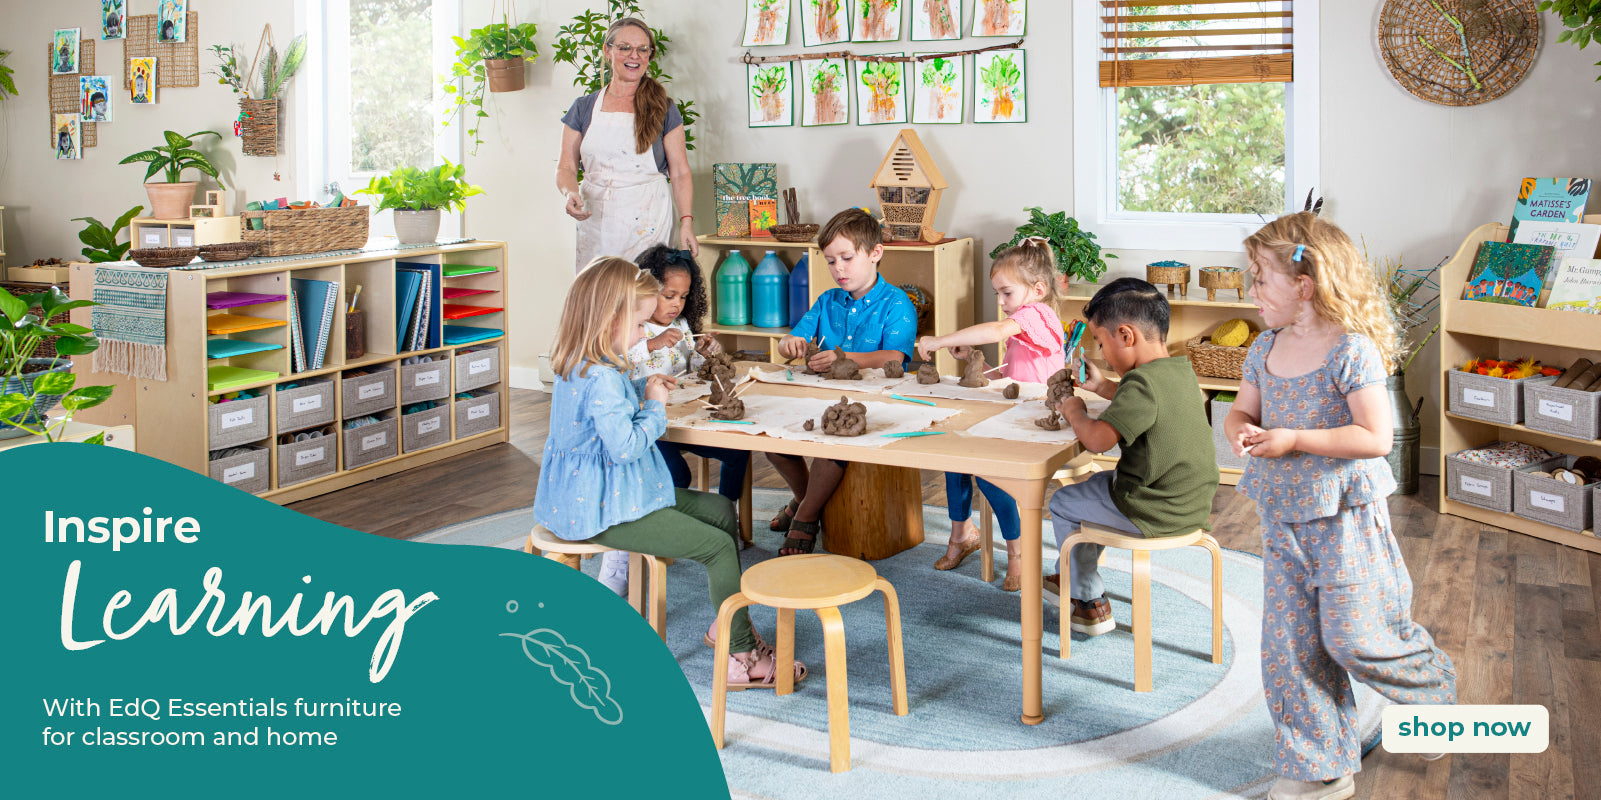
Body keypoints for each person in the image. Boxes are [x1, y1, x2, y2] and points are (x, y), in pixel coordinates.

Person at [1224, 212, 1456, 800]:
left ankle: (1429, 698)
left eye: (1259, 278)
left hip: (1344, 517)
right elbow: (1242, 409)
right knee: (1290, 645)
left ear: (1304, 285)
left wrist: (1294, 438)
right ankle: (1320, 763)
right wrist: (1239, 427)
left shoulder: (1351, 350)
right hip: (1281, 515)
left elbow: (1375, 437)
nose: (1252, 290)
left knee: (1356, 635)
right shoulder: (1264, 348)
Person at [533, 256, 804, 688]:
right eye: (640, 325)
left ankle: (726, 623)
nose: (645, 335)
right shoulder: (601, 376)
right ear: (609, 319)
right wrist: (655, 404)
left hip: (610, 494)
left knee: (719, 510)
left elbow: (610, 415)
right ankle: (738, 655)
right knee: (716, 545)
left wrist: (644, 387)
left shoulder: (587, 364)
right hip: (601, 508)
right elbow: (624, 447)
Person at [1044, 278, 1217, 636]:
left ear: (1126, 336)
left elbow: (1096, 441)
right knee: (1092, 485)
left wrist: (1075, 410)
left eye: (1101, 342)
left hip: (1151, 509)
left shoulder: (1140, 384)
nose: (1101, 353)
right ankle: (1076, 574)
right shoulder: (1179, 372)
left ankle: (1087, 601)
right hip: (1190, 503)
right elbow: (1147, 406)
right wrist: (1104, 386)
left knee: (1063, 501)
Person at [596, 245, 751, 596]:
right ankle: (670, 529)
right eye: (669, 295)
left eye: (683, 296)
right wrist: (651, 345)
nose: (676, 304)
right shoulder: (630, 331)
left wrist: (703, 353)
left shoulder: (681, 325)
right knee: (676, 474)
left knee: (737, 451)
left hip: (682, 417)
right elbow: (620, 366)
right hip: (651, 428)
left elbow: (689, 373)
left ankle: (724, 521)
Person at [914, 237, 1064, 590]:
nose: (1000, 302)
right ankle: (961, 534)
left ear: (1038, 290)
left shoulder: (1039, 313)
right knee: (954, 461)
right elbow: (1014, 374)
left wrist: (938, 341)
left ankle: (1018, 553)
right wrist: (974, 361)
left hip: (1041, 423)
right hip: (1018, 412)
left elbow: (995, 331)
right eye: (997, 294)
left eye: (1006, 293)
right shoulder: (1027, 321)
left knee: (989, 476)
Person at [770, 208, 917, 555]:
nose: (839, 269)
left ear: (875, 253)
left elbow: (895, 358)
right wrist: (789, 344)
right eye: (831, 261)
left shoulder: (898, 303)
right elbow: (790, 340)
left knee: (833, 445)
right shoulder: (826, 301)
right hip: (819, 397)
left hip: (876, 403)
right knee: (772, 439)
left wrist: (843, 359)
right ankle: (805, 502)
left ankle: (805, 516)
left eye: (847, 259)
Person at [556, 17, 698, 272]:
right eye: (625, 48)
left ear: (650, 55)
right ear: (608, 51)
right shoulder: (583, 108)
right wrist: (570, 192)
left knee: (642, 296)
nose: (634, 56)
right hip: (596, 219)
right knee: (598, 300)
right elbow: (566, 166)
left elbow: (680, 172)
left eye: (642, 49)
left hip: (647, 219)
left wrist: (686, 221)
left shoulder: (664, 108)